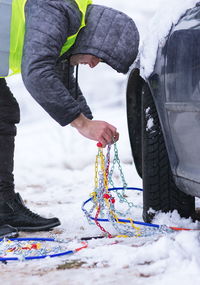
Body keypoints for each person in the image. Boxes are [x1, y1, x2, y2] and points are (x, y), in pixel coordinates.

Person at [0, 0, 139, 238]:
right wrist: (83, 124)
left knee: (3, 112)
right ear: (96, 38)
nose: (94, 64)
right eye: (100, 57)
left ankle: (3, 205)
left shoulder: (68, 16)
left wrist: (88, 121)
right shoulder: (56, 8)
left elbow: (55, 70)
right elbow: (37, 73)